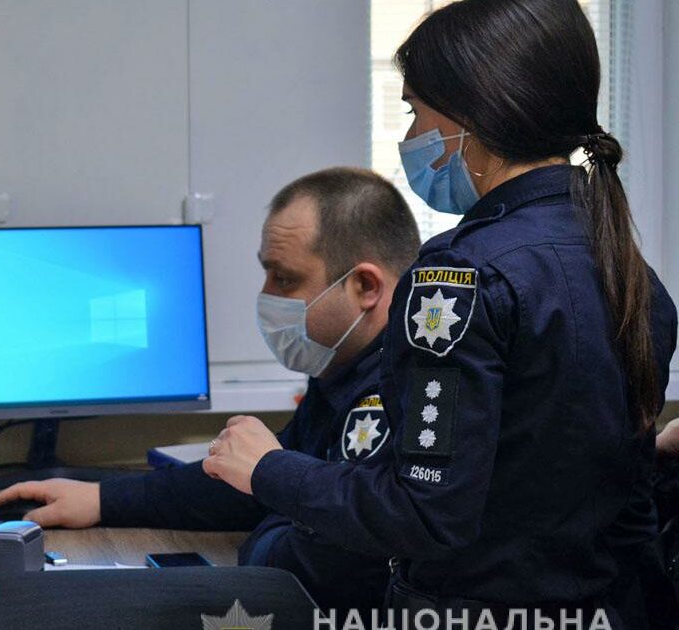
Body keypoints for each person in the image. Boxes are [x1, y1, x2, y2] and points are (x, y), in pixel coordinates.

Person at [200, 0, 678, 625]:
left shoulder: (458, 277)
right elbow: (623, 505)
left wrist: (268, 470)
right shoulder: (631, 273)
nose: (408, 140)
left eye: (414, 113)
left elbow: (422, 512)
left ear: (468, 118)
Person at [0, 167, 422, 611]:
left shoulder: (399, 391)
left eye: (284, 278)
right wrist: (102, 499)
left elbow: (311, 567)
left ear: (365, 286)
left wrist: (273, 509)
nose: (266, 295)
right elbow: (251, 488)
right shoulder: (342, 369)